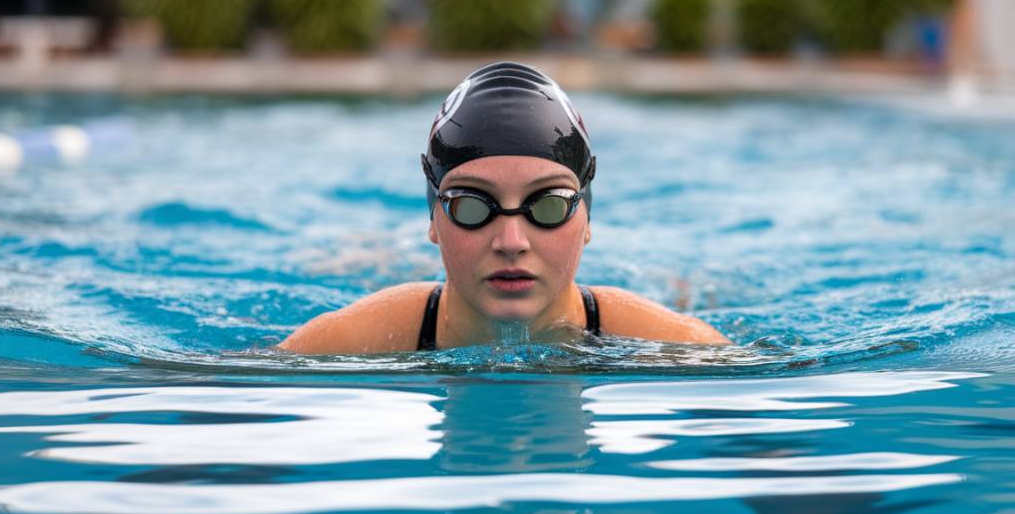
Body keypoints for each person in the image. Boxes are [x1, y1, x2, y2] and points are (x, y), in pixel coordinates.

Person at [280, 62, 728, 354]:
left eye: (549, 205)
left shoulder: (677, 344)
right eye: (472, 206)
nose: (511, 242)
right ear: (432, 216)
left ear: (587, 216)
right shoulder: (348, 340)